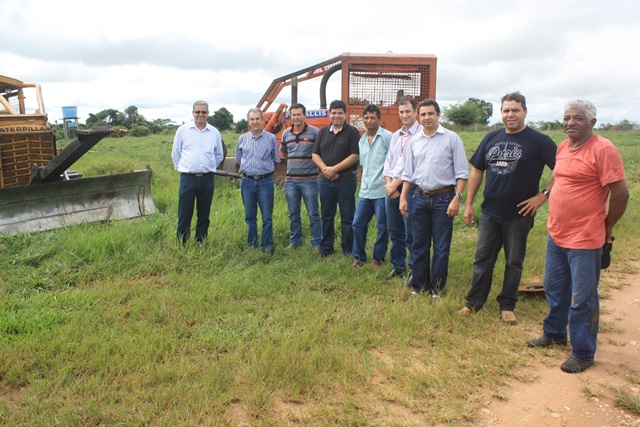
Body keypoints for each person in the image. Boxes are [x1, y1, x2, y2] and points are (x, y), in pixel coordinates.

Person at [528, 100, 628, 373]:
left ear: (592, 122)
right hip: (557, 234)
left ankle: (583, 352)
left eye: (578, 118)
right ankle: (554, 333)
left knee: (583, 297)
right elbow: (559, 180)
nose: (571, 122)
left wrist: (608, 227)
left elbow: (621, 194)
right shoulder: (563, 147)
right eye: (567, 117)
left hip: (585, 238)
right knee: (555, 289)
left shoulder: (603, 149)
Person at [457, 92, 556, 324]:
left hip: (519, 215)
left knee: (513, 262)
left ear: (525, 112)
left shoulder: (539, 141)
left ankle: (507, 305)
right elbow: (477, 170)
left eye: (515, 110)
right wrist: (468, 204)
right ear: (501, 113)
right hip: (490, 213)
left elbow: (562, 170)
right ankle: (473, 302)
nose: (510, 114)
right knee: (482, 259)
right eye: (506, 110)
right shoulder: (491, 138)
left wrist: (542, 196)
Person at [399, 99, 468, 301]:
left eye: (431, 113)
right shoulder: (414, 141)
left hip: (443, 199)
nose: (427, 117)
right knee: (419, 245)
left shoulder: (452, 139)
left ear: (438, 115)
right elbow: (408, 173)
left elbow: (462, 173)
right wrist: (403, 197)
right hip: (419, 198)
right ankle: (419, 286)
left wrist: (457, 198)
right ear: (418, 117)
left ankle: (436, 289)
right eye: (423, 114)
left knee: (441, 247)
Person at [171, 100, 224, 244]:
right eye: (197, 112)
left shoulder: (214, 132)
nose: (200, 114)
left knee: (204, 214)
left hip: (207, 179)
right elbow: (176, 153)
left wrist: (208, 167)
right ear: (193, 113)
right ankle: (181, 244)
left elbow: (219, 155)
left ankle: (200, 243)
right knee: (184, 213)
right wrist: (183, 168)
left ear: (208, 113)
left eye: (203, 112)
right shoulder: (183, 130)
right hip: (188, 179)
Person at [312, 100, 360, 257]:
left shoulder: (352, 132)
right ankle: (326, 248)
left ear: (345, 114)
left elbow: (355, 155)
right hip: (326, 180)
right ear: (329, 114)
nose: (337, 116)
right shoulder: (322, 132)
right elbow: (315, 154)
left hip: (346, 180)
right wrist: (326, 170)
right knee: (326, 215)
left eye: (340, 113)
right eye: (334, 113)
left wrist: (334, 169)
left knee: (347, 215)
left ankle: (348, 249)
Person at [381, 97, 421, 282]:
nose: (404, 115)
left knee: (411, 233)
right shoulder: (396, 135)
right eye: (401, 112)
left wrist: (396, 184)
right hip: (391, 190)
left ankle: (414, 270)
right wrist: (389, 184)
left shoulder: (421, 135)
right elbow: (389, 161)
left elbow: (415, 166)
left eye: (408, 111)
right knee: (394, 231)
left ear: (415, 112)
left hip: (410, 190)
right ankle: (398, 266)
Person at [351, 104, 392, 267]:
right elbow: (363, 165)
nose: (369, 121)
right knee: (357, 224)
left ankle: (378, 259)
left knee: (382, 227)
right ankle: (359, 257)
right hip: (365, 191)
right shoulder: (362, 140)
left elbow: (395, 161)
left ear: (379, 119)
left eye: (373, 117)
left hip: (382, 191)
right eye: (366, 118)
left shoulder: (388, 137)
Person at [235, 108, 281, 253]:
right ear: (248, 121)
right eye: (252, 119)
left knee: (267, 216)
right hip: (247, 182)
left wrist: (265, 173)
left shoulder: (271, 138)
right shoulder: (242, 139)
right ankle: (252, 245)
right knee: (250, 216)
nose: (255, 122)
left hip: (265, 182)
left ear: (262, 120)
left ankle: (267, 246)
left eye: (257, 119)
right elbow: (238, 159)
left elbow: (276, 160)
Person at [280, 103, 321, 251]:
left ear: (304, 115)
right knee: (293, 214)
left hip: (310, 180)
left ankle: (317, 243)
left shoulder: (315, 132)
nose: (296, 117)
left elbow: (320, 153)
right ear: (290, 116)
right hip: (291, 181)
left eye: (299, 114)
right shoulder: (286, 134)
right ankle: (295, 241)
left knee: (313, 213)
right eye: (293, 114)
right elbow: (285, 154)